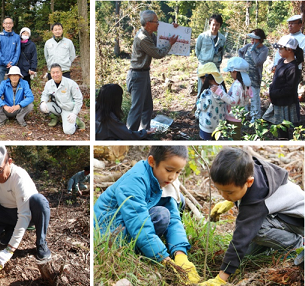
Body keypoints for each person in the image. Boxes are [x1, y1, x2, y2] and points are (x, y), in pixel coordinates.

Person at [94, 146, 200, 284]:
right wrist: (164, 259)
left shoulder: (167, 181)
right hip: (109, 231)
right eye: (169, 170)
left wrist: (181, 255)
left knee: (179, 201)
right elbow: (139, 223)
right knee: (161, 215)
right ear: (152, 161)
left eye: (178, 172)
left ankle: (149, 247)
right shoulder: (135, 180)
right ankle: (140, 250)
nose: (172, 177)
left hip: (128, 223)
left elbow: (174, 218)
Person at [199, 147, 304, 285]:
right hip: (281, 215)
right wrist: (232, 200)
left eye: (229, 192)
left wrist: (221, 279)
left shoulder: (256, 200)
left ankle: (297, 244)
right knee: (247, 256)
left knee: (256, 230)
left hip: (298, 221)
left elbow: (240, 237)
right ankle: (272, 247)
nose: (224, 196)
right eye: (220, 191)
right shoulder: (249, 168)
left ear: (249, 182)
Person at [0, 145, 52, 267]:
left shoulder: (19, 177)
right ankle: (9, 230)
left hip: (29, 214)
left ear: (9, 162)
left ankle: (41, 242)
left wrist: (9, 250)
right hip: (8, 213)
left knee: (40, 201)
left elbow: (24, 215)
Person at [126, 10, 178, 132]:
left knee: (147, 106)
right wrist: (170, 44)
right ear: (148, 23)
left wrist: (174, 29)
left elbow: (160, 40)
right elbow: (158, 53)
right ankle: (130, 135)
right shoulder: (142, 38)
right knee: (137, 108)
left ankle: (144, 131)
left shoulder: (149, 34)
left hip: (143, 73)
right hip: (137, 75)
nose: (158, 23)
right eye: (156, 21)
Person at [262, 36, 303, 139]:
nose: (279, 51)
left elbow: (289, 90)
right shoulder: (281, 61)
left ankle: (284, 140)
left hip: (285, 103)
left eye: (281, 48)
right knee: (272, 123)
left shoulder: (293, 68)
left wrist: (272, 93)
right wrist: (271, 91)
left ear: (289, 50)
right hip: (277, 100)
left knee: (283, 127)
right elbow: (275, 80)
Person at [210, 57, 252, 140]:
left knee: (234, 138)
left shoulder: (237, 84)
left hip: (233, 117)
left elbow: (233, 101)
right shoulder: (245, 83)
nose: (230, 74)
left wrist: (219, 92)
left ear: (234, 71)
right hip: (240, 115)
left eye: (230, 72)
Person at [40, 63, 85, 135]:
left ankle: (77, 121)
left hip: (68, 109)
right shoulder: (49, 83)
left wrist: (74, 113)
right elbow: (45, 94)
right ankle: (55, 118)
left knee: (68, 131)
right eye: (53, 73)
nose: (55, 75)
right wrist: (43, 102)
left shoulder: (71, 83)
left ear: (61, 72)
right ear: (50, 74)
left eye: (57, 72)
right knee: (43, 107)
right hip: (58, 106)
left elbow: (79, 100)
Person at [238, 29, 269, 123]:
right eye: (251, 38)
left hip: (255, 78)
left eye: (254, 39)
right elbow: (240, 51)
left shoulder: (264, 49)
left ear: (260, 39)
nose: (251, 40)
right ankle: (244, 114)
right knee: (243, 95)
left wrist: (253, 51)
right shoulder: (248, 46)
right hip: (244, 76)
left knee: (254, 97)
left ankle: (255, 117)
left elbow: (257, 62)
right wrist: (242, 61)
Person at [195, 62, 228, 140]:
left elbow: (201, 107)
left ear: (204, 79)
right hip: (220, 125)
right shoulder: (222, 89)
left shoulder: (206, 93)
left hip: (207, 127)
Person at [195, 14, 226, 93]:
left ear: (220, 26)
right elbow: (197, 50)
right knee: (202, 89)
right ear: (209, 24)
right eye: (213, 25)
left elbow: (222, 52)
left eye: (217, 25)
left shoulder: (222, 38)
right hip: (204, 65)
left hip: (215, 66)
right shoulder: (202, 36)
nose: (215, 27)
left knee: (214, 89)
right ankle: (199, 104)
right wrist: (202, 59)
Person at [0, 18, 20, 89]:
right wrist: (5, 62)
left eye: (10, 23)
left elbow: (17, 51)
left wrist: (13, 62)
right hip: (1, 65)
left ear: (12, 24)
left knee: (12, 85)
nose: (8, 25)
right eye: (6, 23)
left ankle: (11, 99)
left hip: (12, 65)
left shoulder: (17, 37)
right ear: (3, 25)